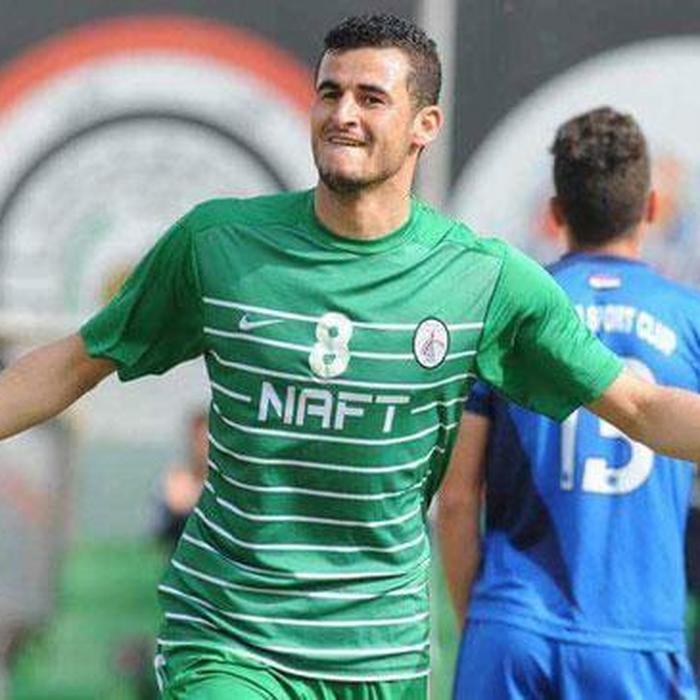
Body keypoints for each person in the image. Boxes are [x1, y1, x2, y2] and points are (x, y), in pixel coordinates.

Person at [1, 15, 700, 699]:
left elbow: (639, 407)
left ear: (425, 124)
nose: (343, 114)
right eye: (330, 92)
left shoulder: (486, 281)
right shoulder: (218, 244)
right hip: (229, 638)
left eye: (371, 98)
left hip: (377, 653)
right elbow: (73, 364)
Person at [438, 107, 699, 699]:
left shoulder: (509, 313)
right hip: (637, 636)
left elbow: (455, 499)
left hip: (514, 625)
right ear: (651, 208)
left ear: (555, 213)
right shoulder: (690, 319)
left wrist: (482, 623)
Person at [154, 409, 209, 553]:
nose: (201, 448)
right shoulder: (176, 478)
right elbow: (176, 505)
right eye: (197, 441)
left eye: (206, 442)